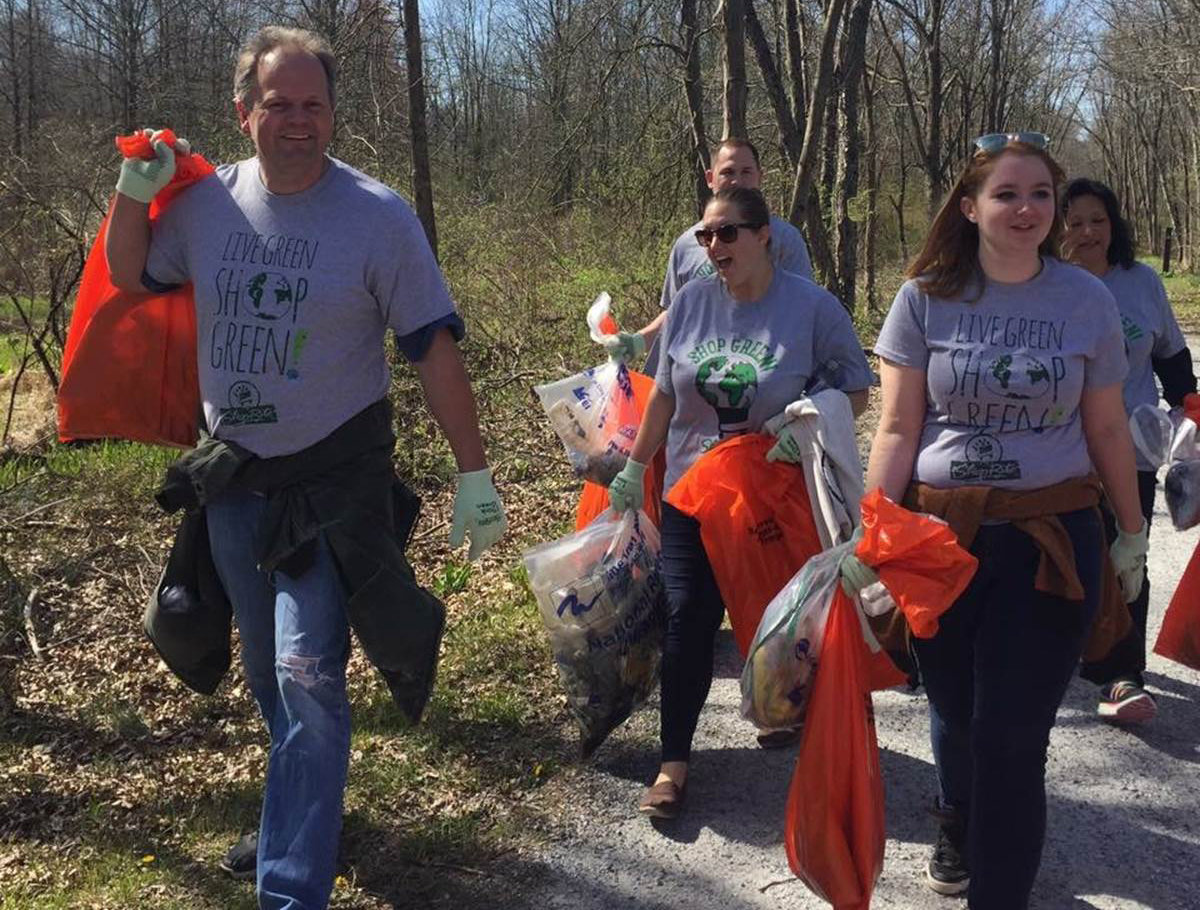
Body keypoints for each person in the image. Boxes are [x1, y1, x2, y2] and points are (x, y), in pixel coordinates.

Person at [105, 26, 506, 909]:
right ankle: (302, 812)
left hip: (332, 486)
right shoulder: (206, 207)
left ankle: (290, 888)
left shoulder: (378, 216)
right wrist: (134, 192)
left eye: (313, 104)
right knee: (268, 676)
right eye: (278, 104)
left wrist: (473, 473)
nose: (297, 121)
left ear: (333, 113)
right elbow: (130, 274)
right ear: (242, 111)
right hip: (235, 487)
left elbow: (432, 347)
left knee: (305, 672)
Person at [848, 132, 1148, 905]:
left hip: (1050, 541)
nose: (1026, 209)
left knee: (1012, 741)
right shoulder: (923, 297)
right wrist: (871, 533)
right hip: (940, 541)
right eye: (1007, 194)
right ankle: (958, 819)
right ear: (971, 206)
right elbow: (896, 428)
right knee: (953, 709)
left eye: (1040, 195)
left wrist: (1131, 531)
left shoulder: (1087, 300)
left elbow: (1108, 428)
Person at [606, 186, 873, 819]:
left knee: (786, 625)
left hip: (773, 497)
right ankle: (673, 765)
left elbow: (856, 387)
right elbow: (666, 395)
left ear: (765, 237)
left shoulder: (811, 308)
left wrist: (806, 424)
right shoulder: (692, 304)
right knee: (685, 621)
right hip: (692, 496)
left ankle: (815, 746)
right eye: (705, 236)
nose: (713, 247)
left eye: (726, 234)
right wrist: (635, 468)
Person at [1062, 177, 1197, 723]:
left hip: (1131, 445)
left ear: (1113, 224)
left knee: (1128, 553)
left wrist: (1189, 405)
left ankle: (1122, 675)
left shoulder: (1140, 282)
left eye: (1097, 220)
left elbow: (1170, 354)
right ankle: (1065, 649)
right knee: (1063, 557)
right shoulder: (1043, 284)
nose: (1087, 232)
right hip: (1059, 449)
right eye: (1074, 223)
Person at [600, 138, 813, 369]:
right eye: (728, 172)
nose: (737, 181)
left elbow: (799, 314)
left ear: (760, 177)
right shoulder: (686, 245)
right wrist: (637, 343)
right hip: (695, 376)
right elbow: (678, 315)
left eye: (746, 172)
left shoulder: (785, 241)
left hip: (759, 374)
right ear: (710, 179)